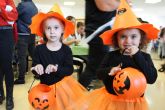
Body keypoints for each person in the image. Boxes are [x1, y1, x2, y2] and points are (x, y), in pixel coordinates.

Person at [70, 0, 158, 109]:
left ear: (141, 39)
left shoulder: (144, 57)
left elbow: (151, 78)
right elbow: (99, 74)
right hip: (111, 102)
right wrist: (110, 71)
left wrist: (137, 55)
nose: (128, 41)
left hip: (134, 104)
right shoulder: (111, 56)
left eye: (133, 36)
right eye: (123, 36)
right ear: (116, 39)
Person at [29, 8, 87, 109]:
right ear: (43, 30)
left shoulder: (66, 50)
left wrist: (56, 69)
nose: (52, 32)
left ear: (62, 30)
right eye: (48, 28)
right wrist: (36, 68)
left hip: (63, 89)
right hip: (45, 90)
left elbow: (69, 70)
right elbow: (34, 66)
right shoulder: (39, 49)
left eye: (56, 28)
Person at [78, 0, 131, 89]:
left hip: (102, 32)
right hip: (99, 32)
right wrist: (124, 4)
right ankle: (74, 96)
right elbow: (104, 5)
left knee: (97, 67)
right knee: (93, 68)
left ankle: (75, 95)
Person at [14, 0, 38, 84]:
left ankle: (21, 78)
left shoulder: (22, 5)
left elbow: (14, 15)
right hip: (31, 34)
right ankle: (38, 73)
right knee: (34, 55)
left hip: (23, 34)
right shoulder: (34, 6)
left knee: (22, 57)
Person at [0, 0, 18, 109]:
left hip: (5, 32)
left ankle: (10, 97)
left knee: (7, 66)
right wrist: (3, 9)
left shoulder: (9, 1)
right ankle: (1, 93)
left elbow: (13, 15)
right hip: (5, 29)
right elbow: (7, 14)